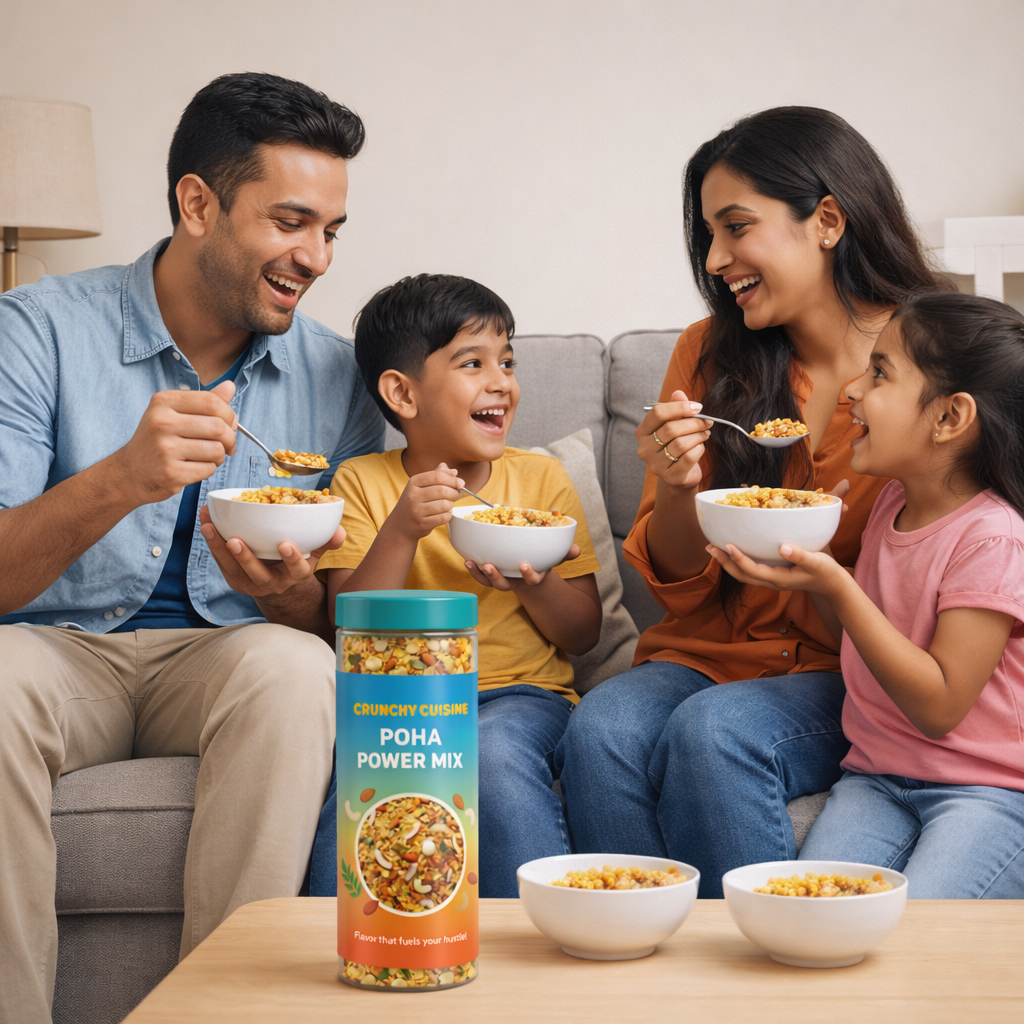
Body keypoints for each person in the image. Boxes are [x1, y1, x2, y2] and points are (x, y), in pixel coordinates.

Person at [0, 72, 383, 1023]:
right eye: (290, 222)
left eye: (331, 230)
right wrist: (121, 478)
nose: (316, 257)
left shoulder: (338, 376)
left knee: (296, 669)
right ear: (198, 204)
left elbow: (329, 621)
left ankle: (220, 1013)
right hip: (55, 649)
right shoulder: (36, 331)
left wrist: (288, 595)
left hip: (224, 658)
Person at [556, 106, 949, 897]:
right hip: (706, 653)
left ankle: (761, 958)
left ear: (827, 220)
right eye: (708, 234)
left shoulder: (935, 366)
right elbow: (678, 583)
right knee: (600, 728)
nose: (715, 258)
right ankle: (635, 956)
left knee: (716, 731)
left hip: (852, 668)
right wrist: (678, 485)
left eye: (736, 227)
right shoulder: (707, 353)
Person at [708, 292, 1024, 898]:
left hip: (987, 787)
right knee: (813, 915)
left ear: (950, 417)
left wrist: (839, 583)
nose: (851, 389)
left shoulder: (993, 538)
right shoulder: (891, 502)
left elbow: (939, 706)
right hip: (877, 775)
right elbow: (854, 642)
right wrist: (815, 567)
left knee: (921, 930)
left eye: (880, 373)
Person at [309, 274, 602, 898]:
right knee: (362, 797)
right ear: (402, 393)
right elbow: (345, 625)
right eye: (473, 363)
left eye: (507, 362)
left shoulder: (541, 481)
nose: (501, 382)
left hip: (521, 696)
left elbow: (583, 633)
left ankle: (534, 932)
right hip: (400, 704)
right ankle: (358, 939)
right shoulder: (362, 483)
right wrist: (401, 530)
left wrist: (533, 582)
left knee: (491, 760)